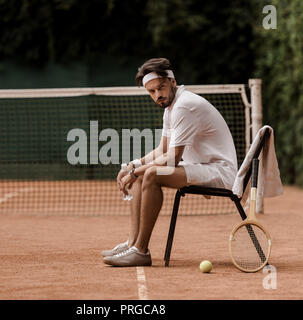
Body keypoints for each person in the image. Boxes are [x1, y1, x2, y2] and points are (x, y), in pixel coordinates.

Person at [102, 58, 238, 267]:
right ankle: (132, 243)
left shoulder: (184, 106)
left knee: (152, 175)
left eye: (161, 88)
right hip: (202, 167)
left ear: (172, 82)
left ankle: (140, 251)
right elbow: (162, 150)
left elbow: (172, 159)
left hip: (219, 172)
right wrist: (132, 165)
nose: (157, 95)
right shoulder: (170, 108)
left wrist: (137, 171)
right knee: (143, 174)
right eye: (151, 92)